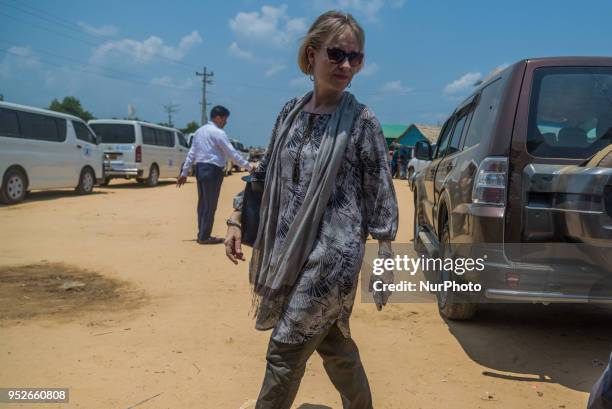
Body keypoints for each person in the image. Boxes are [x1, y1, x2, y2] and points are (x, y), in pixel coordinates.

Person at [224, 11, 398, 409]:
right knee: (333, 343)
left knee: (284, 350)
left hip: (332, 259)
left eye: (356, 57)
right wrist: (236, 218)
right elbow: (264, 173)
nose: (346, 66)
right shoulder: (289, 113)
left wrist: (384, 257)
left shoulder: (362, 122)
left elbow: (379, 193)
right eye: (336, 54)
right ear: (311, 53)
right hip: (288, 252)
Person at [177, 106, 252, 245]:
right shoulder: (218, 133)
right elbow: (232, 153)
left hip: (200, 169)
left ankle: (202, 233)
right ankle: (205, 237)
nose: (226, 122)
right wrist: (249, 167)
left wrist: (184, 172)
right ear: (218, 117)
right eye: (225, 119)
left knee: (203, 204)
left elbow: (191, 153)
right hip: (212, 171)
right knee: (210, 205)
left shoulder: (199, 132)